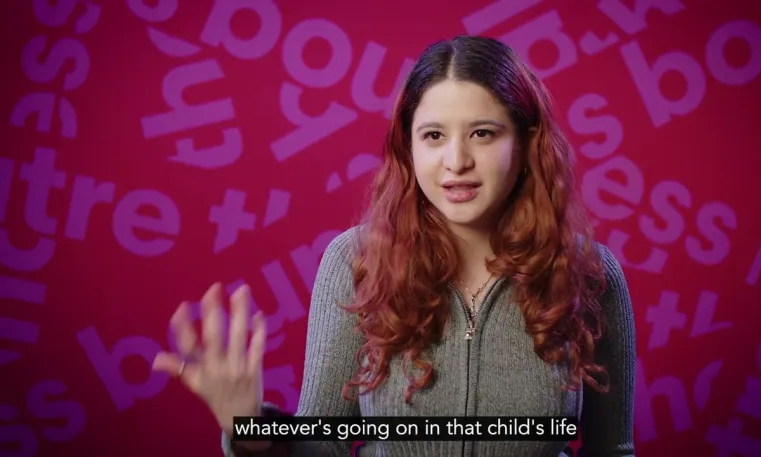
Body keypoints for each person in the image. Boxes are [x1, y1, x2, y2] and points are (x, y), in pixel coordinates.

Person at [152, 35, 636, 457]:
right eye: (433, 135)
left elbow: (611, 450)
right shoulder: (356, 261)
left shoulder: (588, 273)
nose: (457, 160)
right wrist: (254, 431)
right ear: (409, 146)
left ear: (526, 143)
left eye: (482, 133)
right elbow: (324, 446)